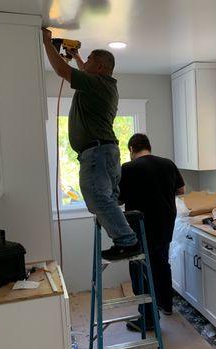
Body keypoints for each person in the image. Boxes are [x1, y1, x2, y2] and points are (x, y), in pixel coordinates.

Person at [41, 28, 139, 261]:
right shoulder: (100, 83)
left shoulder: (97, 83)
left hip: (98, 153)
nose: (85, 64)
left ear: (101, 68)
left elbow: (61, 70)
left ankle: (127, 241)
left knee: (97, 197)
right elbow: (80, 67)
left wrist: (46, 42)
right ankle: (123, 239)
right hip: (103, 153)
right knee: (104, 200)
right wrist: (76, 55)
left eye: (90, 61)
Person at [119, 134, 185, 329]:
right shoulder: (167, 164)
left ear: (132, 149)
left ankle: (147, 319)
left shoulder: (128, 168)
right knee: (162, 264)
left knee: (140, 269)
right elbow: (181, 190)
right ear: (149, 147)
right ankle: (166, 305)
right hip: (165, 225)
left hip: (141, 228)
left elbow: (119, 200)